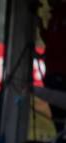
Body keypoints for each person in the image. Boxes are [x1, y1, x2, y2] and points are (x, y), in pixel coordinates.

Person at [38, 0, 66, 133]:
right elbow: (49, 40)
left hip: (61, 72)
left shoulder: (63, 15)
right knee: (56, 112)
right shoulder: (54, 17)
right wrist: (40, 26)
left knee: (60, 110)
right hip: (52, 71)